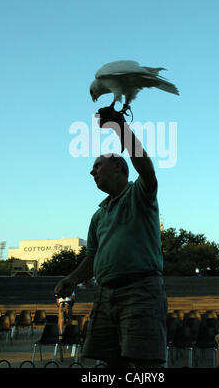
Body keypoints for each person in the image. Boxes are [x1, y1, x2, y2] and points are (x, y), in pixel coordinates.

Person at [54, 106, 167, 368]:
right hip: (104, 294)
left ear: (119, 168)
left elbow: (146, 169)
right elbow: (91, 258)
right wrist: (71, 279)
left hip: (141, 291)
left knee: (146, 365)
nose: (92, 172)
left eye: (97, 166)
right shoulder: (98, 215)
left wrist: (120, 127)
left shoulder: (140, 194)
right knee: (110, 366)